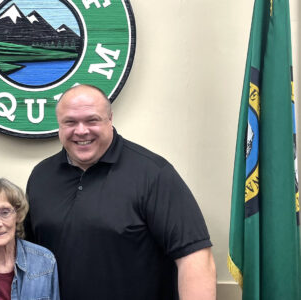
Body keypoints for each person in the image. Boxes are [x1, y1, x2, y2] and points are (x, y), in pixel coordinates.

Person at [24, 84, 216, 300]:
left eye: (92, 120)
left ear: (110, 119)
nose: (81, 130)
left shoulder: (153, 174)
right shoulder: (41, 176)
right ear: (59, 125)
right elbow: (27, 256)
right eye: (70, 122)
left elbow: (195, 258)